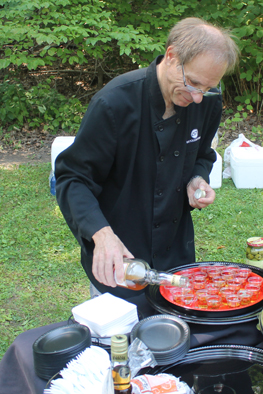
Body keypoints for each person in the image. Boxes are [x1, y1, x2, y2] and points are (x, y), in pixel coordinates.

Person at [55, 17, 239, 299]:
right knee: (118, 339)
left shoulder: (207, 100)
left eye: (208, 88)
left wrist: (197, 178)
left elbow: (203, 154)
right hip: (120, 256)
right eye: (193, 83)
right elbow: (74, 177)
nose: (198, 97)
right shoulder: (114, 103)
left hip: (176, 255)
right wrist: (101, 234)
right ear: (171, 56)